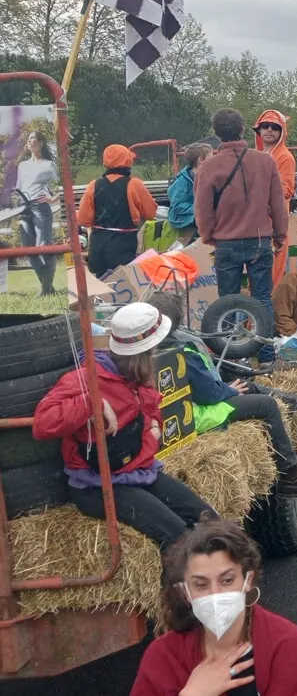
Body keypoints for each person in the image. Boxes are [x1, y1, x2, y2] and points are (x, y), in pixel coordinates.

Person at [33, 303, 214, 547]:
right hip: (96, 487)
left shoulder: (138, 376)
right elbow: (43, 424)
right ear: (146, 351)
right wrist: (91, 403)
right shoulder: (86, 378)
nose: (156, 351)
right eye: (153, 348)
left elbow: (151, 408)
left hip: (139, 471)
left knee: (211, 523)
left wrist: (153, 425)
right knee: (180, 540)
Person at [146, 291, 297, 498]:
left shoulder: (146, 349)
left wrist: (229, 387)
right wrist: (229, 390)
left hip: (178, 409)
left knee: (245, 385)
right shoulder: (182, 353)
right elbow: (208, 395)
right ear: (176, 323)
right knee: (266, 405)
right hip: (194, 415)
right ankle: (291, 476)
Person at [129, 518, 297, 696]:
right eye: (201, 584)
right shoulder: (162, 657)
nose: (215, 594)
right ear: (185, 592)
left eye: (227, 580)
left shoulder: (287, 645)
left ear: (247, 580)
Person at [196, 110, 288, 362]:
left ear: (217, 133)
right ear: (244, 129)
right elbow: (278, 204)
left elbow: (203, 209)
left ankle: (230, 358)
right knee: (261, 299)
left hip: (226, 241)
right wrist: (280, 235)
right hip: (260, 240)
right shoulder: (265, 161)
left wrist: (208, 236)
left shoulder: (208, 166)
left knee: (228, 301)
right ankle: (267, 355)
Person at [77, 144, 158, 277]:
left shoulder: (93, 185)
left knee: (102, 284)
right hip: (124, 245)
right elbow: (150, 214)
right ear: (128, 162)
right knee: (124, 283)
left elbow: (84, 220)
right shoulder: (134, 184)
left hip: (98, 245)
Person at [253, 109, 296, 286]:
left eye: (275, 127)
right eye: (265, 126)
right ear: (259, 131)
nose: (269, 130)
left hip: (274, 226)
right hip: (255, 226)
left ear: (282, 132)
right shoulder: (255, 155)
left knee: (270, 279)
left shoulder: (285, 157)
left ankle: (268, 312)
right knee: (256, 278)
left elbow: (286, 190)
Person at [15, 128, 58, 294]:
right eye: (29, 138)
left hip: (40, 207)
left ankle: (45, 289)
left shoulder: (49, 164)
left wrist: (53, 198)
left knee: (43, 247)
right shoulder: (22, 165)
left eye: (33, 138)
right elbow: (19, 187)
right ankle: (48, 288)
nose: (29, 140)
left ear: (40, 143)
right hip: (23, 208)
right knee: (29, 249)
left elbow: (63, 185)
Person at [167, 143, 210, 246]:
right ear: (201, 160)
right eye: (211, 157)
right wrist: (201, 209)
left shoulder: (207, 178)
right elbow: (177, 206)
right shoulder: (182, 181)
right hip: (185, 219)